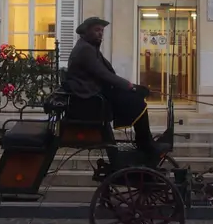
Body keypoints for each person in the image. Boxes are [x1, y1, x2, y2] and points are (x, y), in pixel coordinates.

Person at [63, 16, 169, 158]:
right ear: (86, 32)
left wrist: (132, 87)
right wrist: (130, 86)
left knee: (135, 97)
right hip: (89, 96)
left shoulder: (88, 47)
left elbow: (106, 73)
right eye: (96, 30)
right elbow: (103, 74)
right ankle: (145, 144)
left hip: (92, 93)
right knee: (137, 102)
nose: (100, 33)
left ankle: (145, 142)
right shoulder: (85, 50)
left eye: (101, 30)